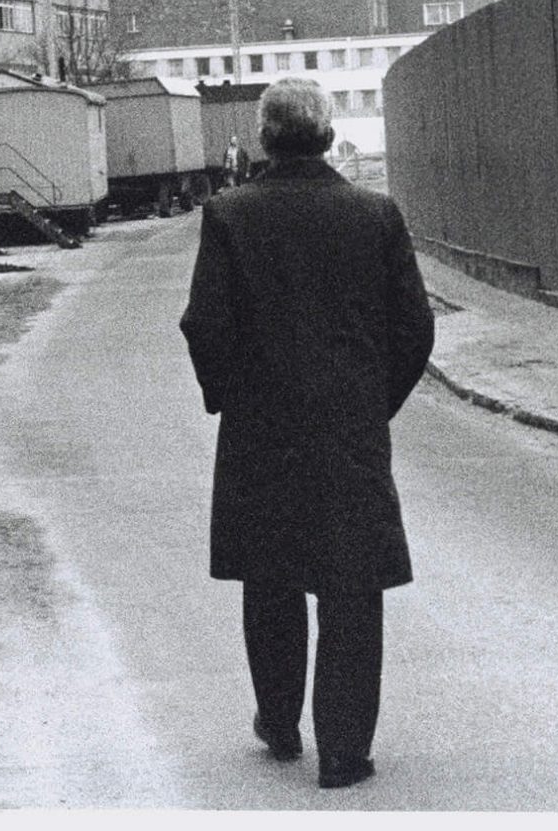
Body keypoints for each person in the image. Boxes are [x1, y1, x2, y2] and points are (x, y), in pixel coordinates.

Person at [178, 76, 435, 791]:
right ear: (327, 135)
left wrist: (231, 397)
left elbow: (205, 324)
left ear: (265, 137)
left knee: (271, 576)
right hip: (348, 431)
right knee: (351, 585)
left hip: (261, 429)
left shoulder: (229, 215)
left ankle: (280, 721)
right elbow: (415, 327)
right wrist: (372, 403)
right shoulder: (375, 215)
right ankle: (345, 752)